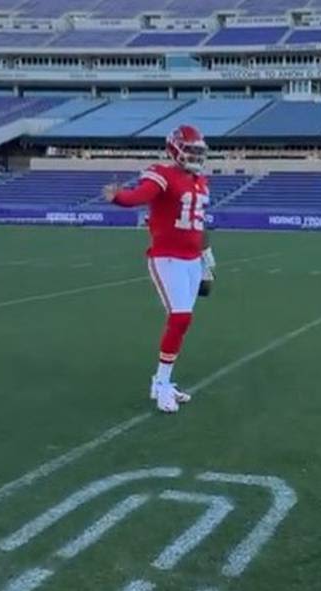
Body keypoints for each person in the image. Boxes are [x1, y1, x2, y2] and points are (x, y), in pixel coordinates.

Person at [102, 124, 215, 414]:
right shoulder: (163, 174)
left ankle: (161, 381)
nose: (194, 156)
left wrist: (207, 256)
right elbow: (141, 195)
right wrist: (118, 197)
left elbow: (199, 223)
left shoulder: (201, 181)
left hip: (191, 259)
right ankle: (162, 384)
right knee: (180, 319)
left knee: (182, 322)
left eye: (197, 151)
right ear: (175, 148)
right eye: (190, 150)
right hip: (167, 257)